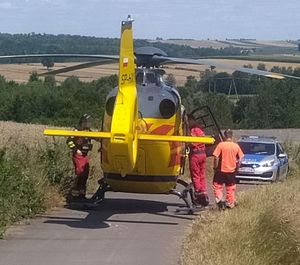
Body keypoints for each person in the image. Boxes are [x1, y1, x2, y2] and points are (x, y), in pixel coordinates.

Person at [212, 129, 244, 209]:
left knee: (217, 185)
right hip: (231, 171)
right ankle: (230, 202)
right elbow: (241, 159)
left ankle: (219, 200)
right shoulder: (236, 146)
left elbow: (216, 157)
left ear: (224, 136)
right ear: (232, 136)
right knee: (230, 187)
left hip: (221, 170)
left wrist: (215, 167)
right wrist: (237, 167)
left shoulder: (221, 145)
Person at [66, 114, 93, 201]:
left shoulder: (88, 131)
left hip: (84, 155)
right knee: (80, 173)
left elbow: (96, 137)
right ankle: (75, 195)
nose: (89, 124)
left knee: (85, 174)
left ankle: (82, 195)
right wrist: (75, 150)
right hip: (78, 155)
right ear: (83, 122)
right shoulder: (76, 130)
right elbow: (69, 141)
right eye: (87, 122)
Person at [187, 114, 209, 207]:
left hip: (195, 155)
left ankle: (198, 194)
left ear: (191, 120)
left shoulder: (193, 130)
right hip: (203, 154)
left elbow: (192, 143)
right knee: (202, 175)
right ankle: (203, 192)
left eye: (188, 121)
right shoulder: (200, 129)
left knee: (195, 175)